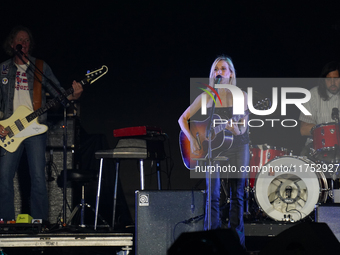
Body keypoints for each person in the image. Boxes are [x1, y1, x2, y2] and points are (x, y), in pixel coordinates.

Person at [0, 26, 83, 222]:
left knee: (38, 176)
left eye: (27, 40)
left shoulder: (40, 67)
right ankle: (5, 222)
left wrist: (73, 94)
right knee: (4, 177)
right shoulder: (3, 69)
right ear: (12, 45)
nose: (24, 43)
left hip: (35, 128)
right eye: (20, 40)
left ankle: (39, 222)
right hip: (10, 129)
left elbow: (59, 94)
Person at [178, 55, 249, 248]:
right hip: (213, 149)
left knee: (237, 195)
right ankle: (211, 244)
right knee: (213, 195)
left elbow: (242, 128)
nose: (219, 72)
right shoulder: (207, 97)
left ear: (231, 73)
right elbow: (182, 119)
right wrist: (193, 139)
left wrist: (235, 129)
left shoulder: (241, 96)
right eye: (216, 69)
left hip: (238, 145)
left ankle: (237, 245)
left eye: (223, 69)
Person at [299, 61, 340, 157]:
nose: (333, 83)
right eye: (329, 79)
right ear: (323, 80)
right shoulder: (313, 95)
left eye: (336, 78)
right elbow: (303, 129)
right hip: (315, 147)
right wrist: (328, 131)